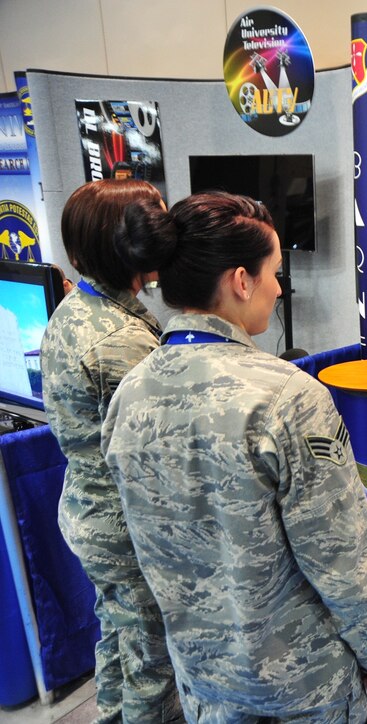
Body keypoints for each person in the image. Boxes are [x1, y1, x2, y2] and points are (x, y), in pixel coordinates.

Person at [101, 192, 367, 721]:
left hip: (202, 679)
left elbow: (129, 545)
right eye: (274, 272)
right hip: (303, 684)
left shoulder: (129, 393)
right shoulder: (288, 397)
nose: (279, 287)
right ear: (241, 280)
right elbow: (339, 550)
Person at [39, 179, 180, 723]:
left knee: (121, 640)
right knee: (152, 663)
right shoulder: (121, 341)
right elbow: (159, 456)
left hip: (91, 513)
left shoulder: (81, 309)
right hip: (126, 528)